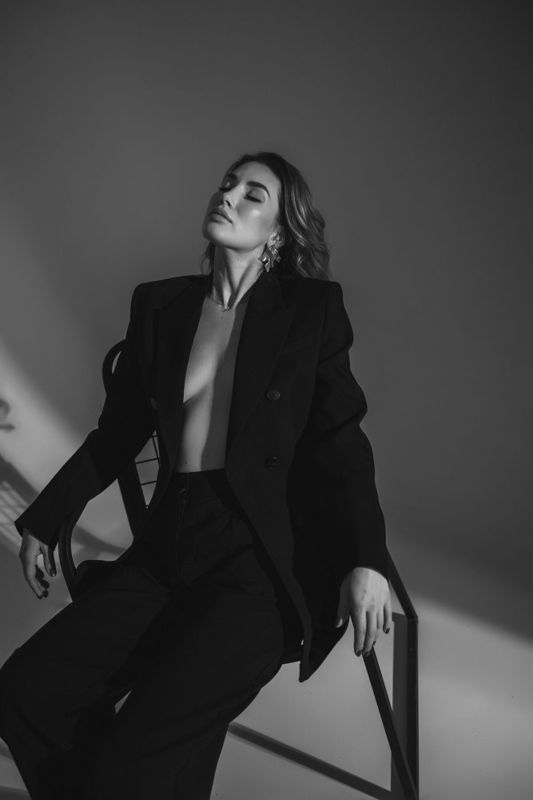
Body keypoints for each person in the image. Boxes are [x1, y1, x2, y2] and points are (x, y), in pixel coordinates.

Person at [0, 151, 392, 799]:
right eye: (227, 184)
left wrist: (365, 559)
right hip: (168, 547)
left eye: (253, 194)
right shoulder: (162, 305)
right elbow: (117, 433)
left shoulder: (309, 311)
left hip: (258, 564)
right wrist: (46, 517)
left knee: (134, 759)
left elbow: (339, 441)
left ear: (280, 233)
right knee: (27, 690)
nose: (228, 196)